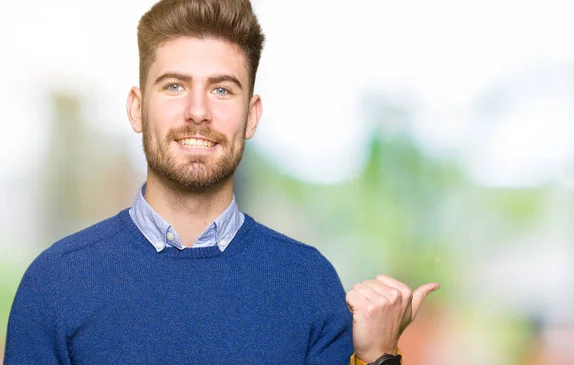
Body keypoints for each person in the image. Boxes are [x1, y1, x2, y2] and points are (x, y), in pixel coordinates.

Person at [3, 0, 439, 364]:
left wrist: (380, 356)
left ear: (251, 115)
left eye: (222, 90)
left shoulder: (309, 284)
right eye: (174, 86)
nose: (197, 111)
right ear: (136, 109)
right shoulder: (55, 283)